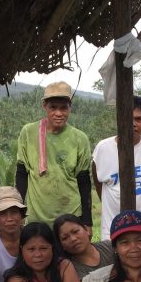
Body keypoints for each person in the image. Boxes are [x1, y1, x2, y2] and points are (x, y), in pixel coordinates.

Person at [16, 81, 92, 225]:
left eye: (64, 108)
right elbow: (22, 174)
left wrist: (87, 222)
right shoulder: (28, 132)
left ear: (70, 107)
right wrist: (19, 214)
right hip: (36, 219)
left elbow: (84, 181)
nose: (58, 113)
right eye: (53, 107)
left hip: (71, 217)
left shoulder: (79, 138)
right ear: (44, 106)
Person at [92, 95, 141, 241]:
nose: (133, 123)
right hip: (112, 230)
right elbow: (98, 181)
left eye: (138, 119)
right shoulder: (103, 148)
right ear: (119, 119)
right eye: (128, 118)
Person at [53, 213, 113, 279]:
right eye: (65, 238)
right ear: (61, 245)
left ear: (86, 230)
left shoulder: (109, 247)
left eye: (75, 231)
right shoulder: (67, 269)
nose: (73, 239)